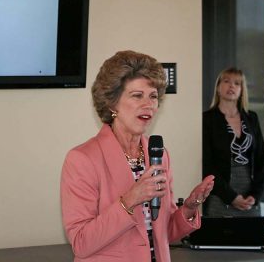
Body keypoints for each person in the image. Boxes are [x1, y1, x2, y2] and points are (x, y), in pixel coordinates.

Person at [60, 50, 215, 262]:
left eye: (153, 96)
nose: (149, 104)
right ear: (112, 103)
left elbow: (164, 233)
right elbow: (81, 243)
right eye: (137, 96)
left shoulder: (159, 155)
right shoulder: (82, 159)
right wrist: (130, 200)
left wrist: (188, 207)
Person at [202, 67, 264, 217]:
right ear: (218, 88)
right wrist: (231, 197)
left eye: (237, 83)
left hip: (249, 197)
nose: (232, 86)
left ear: (242, 90)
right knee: (220, 239)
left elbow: (261, 160)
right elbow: (208, 164)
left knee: (250, 239)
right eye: (227, 81)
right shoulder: (208, 119)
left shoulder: (252, 118)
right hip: (220, 194)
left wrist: (255, 195)